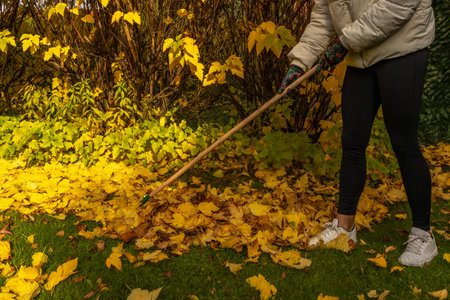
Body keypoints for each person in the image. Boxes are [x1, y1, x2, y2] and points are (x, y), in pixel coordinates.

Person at [279, 0, 437, 267]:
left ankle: (423, 234)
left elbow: (399, 5)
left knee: (403, 143)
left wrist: (344, 43)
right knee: (352, 141)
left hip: (401, 47)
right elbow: (324, 17)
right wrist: (300, 62)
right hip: (360, 54)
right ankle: (345, 226)